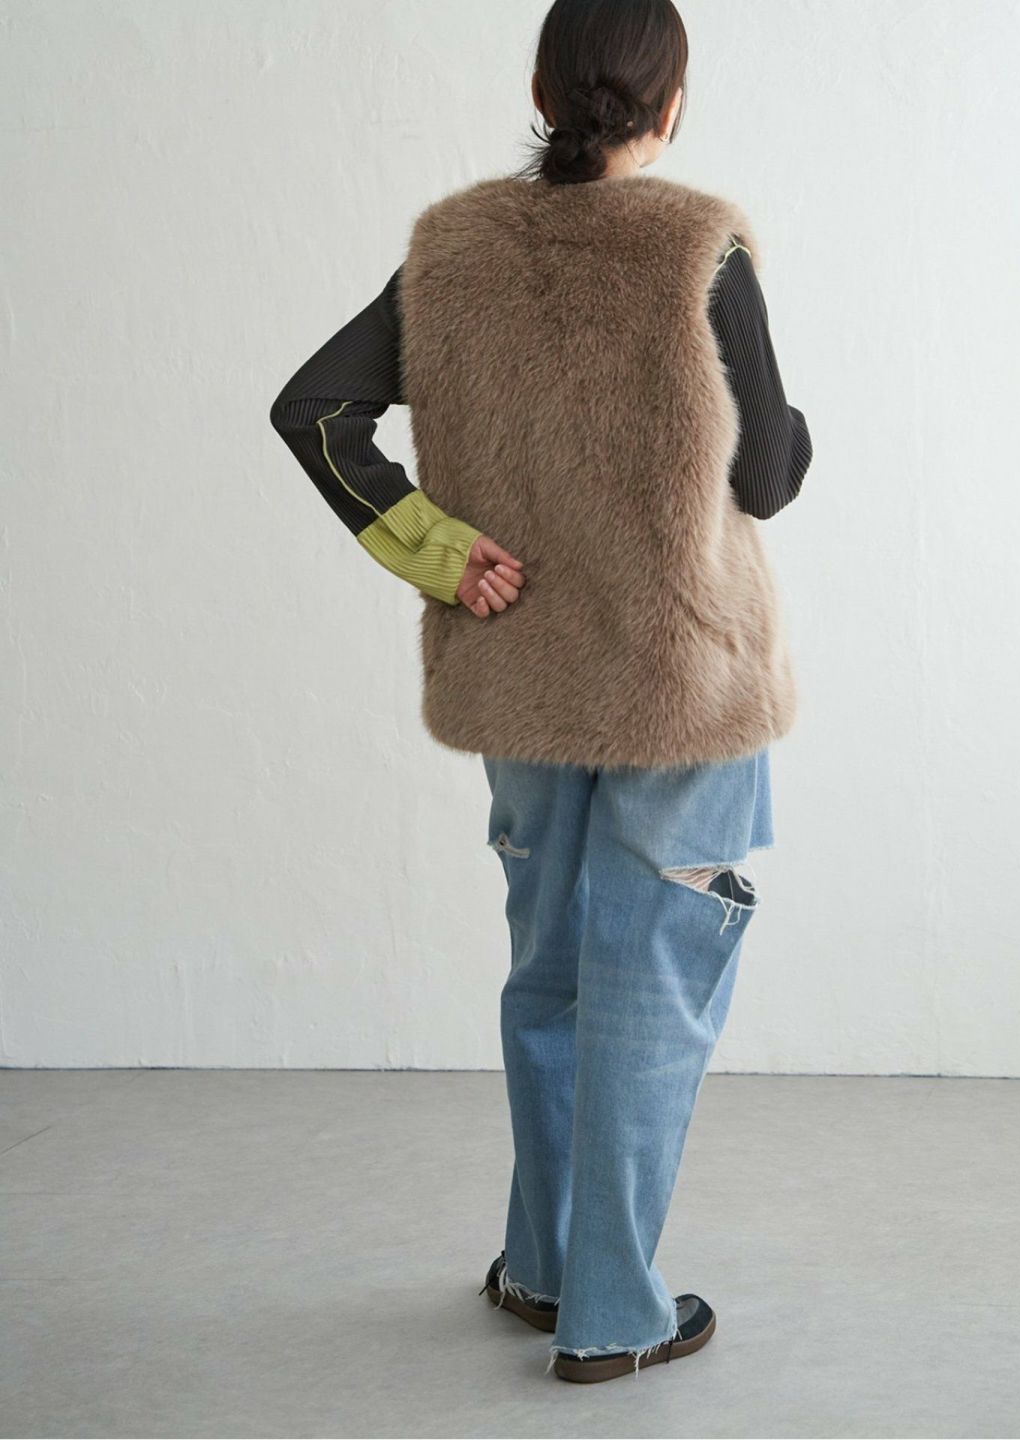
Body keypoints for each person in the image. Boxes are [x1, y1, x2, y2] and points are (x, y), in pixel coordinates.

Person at [270, 0, 812, 1386]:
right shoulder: (701, 246)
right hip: (682, 683)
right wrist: (794, 427)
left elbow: (313, 411)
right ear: (671, 104)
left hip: (519, 675)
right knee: (651, 984)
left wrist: (439, 551)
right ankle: (616, 1313)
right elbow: (765, 477)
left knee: (553, 970)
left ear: (540, 85)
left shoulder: (450, 251)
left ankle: (541, 1268)